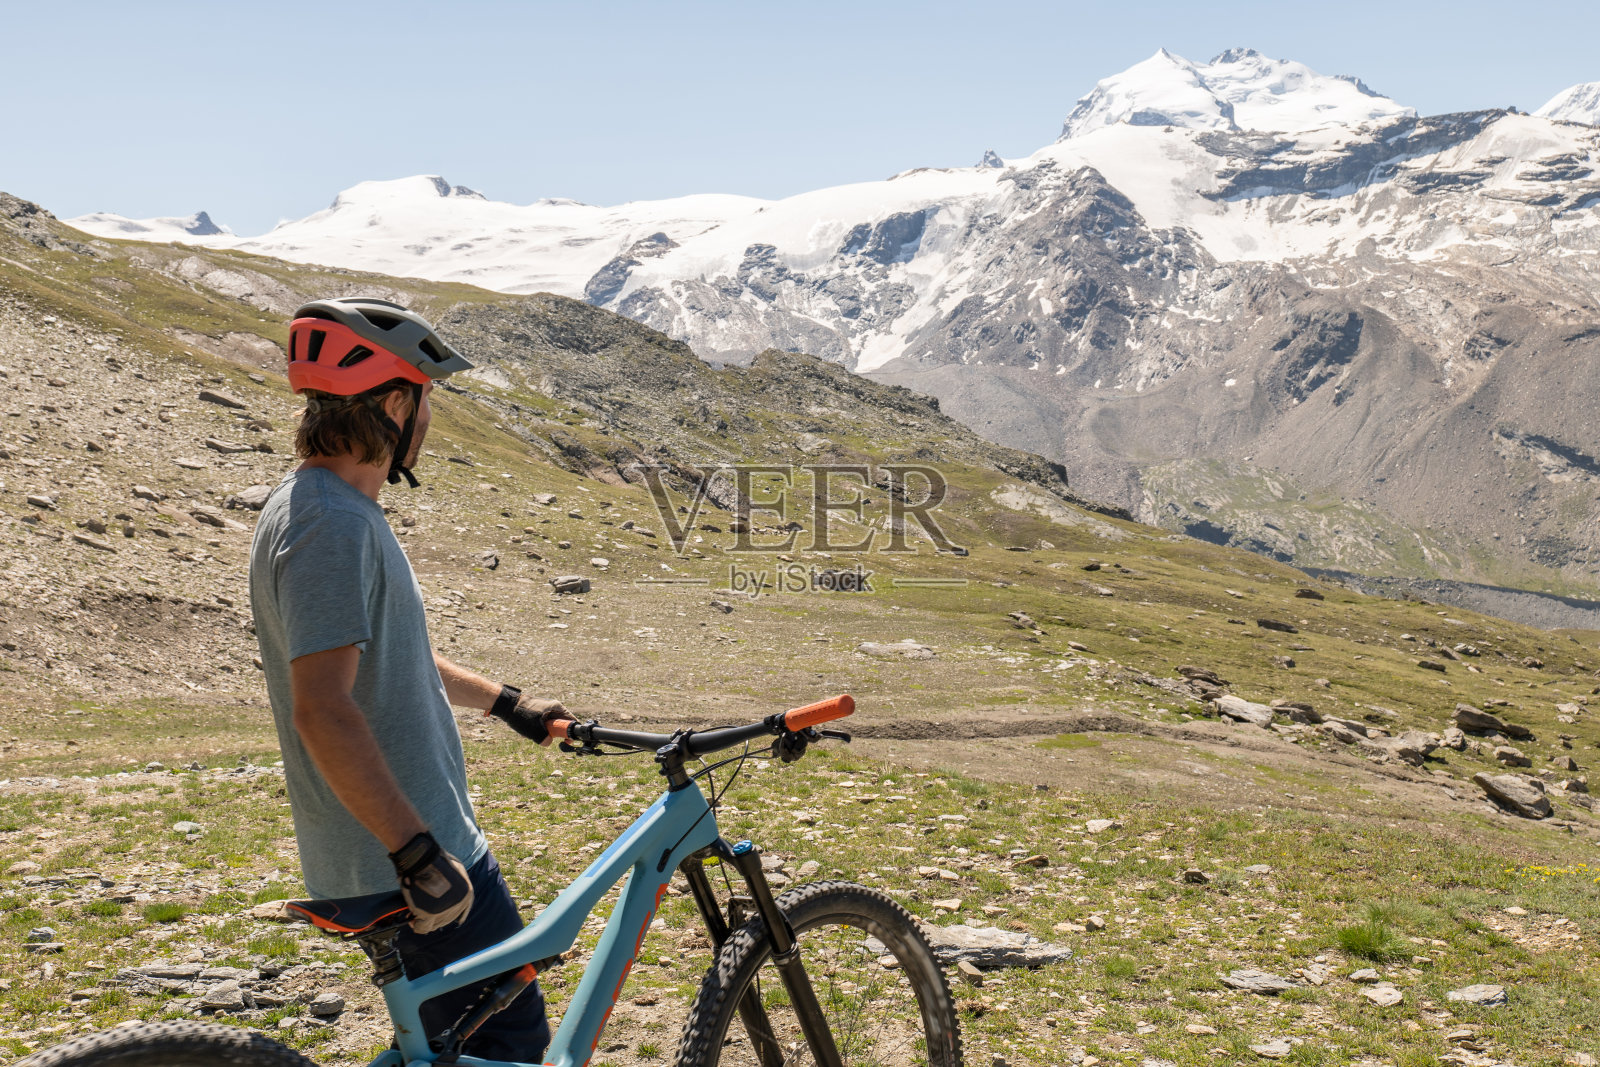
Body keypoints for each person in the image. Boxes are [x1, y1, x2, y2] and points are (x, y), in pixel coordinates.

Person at [248, 296, 570, 1061]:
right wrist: (418, 855)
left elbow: (380, 656)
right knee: (511, 1050)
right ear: (396, 402)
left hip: (403, 851)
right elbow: (322, 708)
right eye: (427, 401)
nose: (429, 421)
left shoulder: (327, 508)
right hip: (406, 863)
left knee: (460, 1045)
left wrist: (506, 702)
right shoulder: (330, 524)